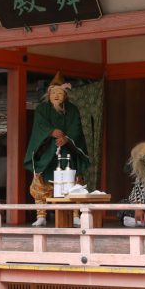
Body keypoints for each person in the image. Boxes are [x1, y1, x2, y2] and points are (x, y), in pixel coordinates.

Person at [24, 72, 89, 227]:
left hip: (67, 151)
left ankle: (75, 214)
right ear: (48, 94)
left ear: (65, 95)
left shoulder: (72, 110)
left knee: (72, 182)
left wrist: (67, 139)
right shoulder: (42, 109)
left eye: (60, 93)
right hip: (47, 151)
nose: (56, 96)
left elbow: (76, 129)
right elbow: (39, 127)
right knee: (41, 182)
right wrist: (50, 132)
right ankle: (41, 214)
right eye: (53, 92)